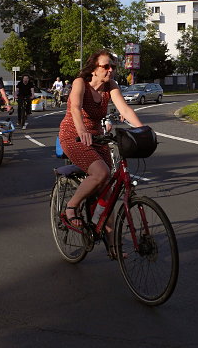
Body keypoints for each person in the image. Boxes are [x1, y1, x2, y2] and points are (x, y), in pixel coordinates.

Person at [58, 50, 145, 257]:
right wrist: (82, 131)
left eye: (113, 67)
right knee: (101, 173)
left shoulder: (111, 86)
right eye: (106, 66)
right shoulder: (81, 82)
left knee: (108, 193)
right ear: (94, 69)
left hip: (98, 138)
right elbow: (76, 109)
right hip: (73, 135)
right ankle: (71, 207)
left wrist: (143, 131)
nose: (110, 70)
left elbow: (125, 110)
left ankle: (112, 244)